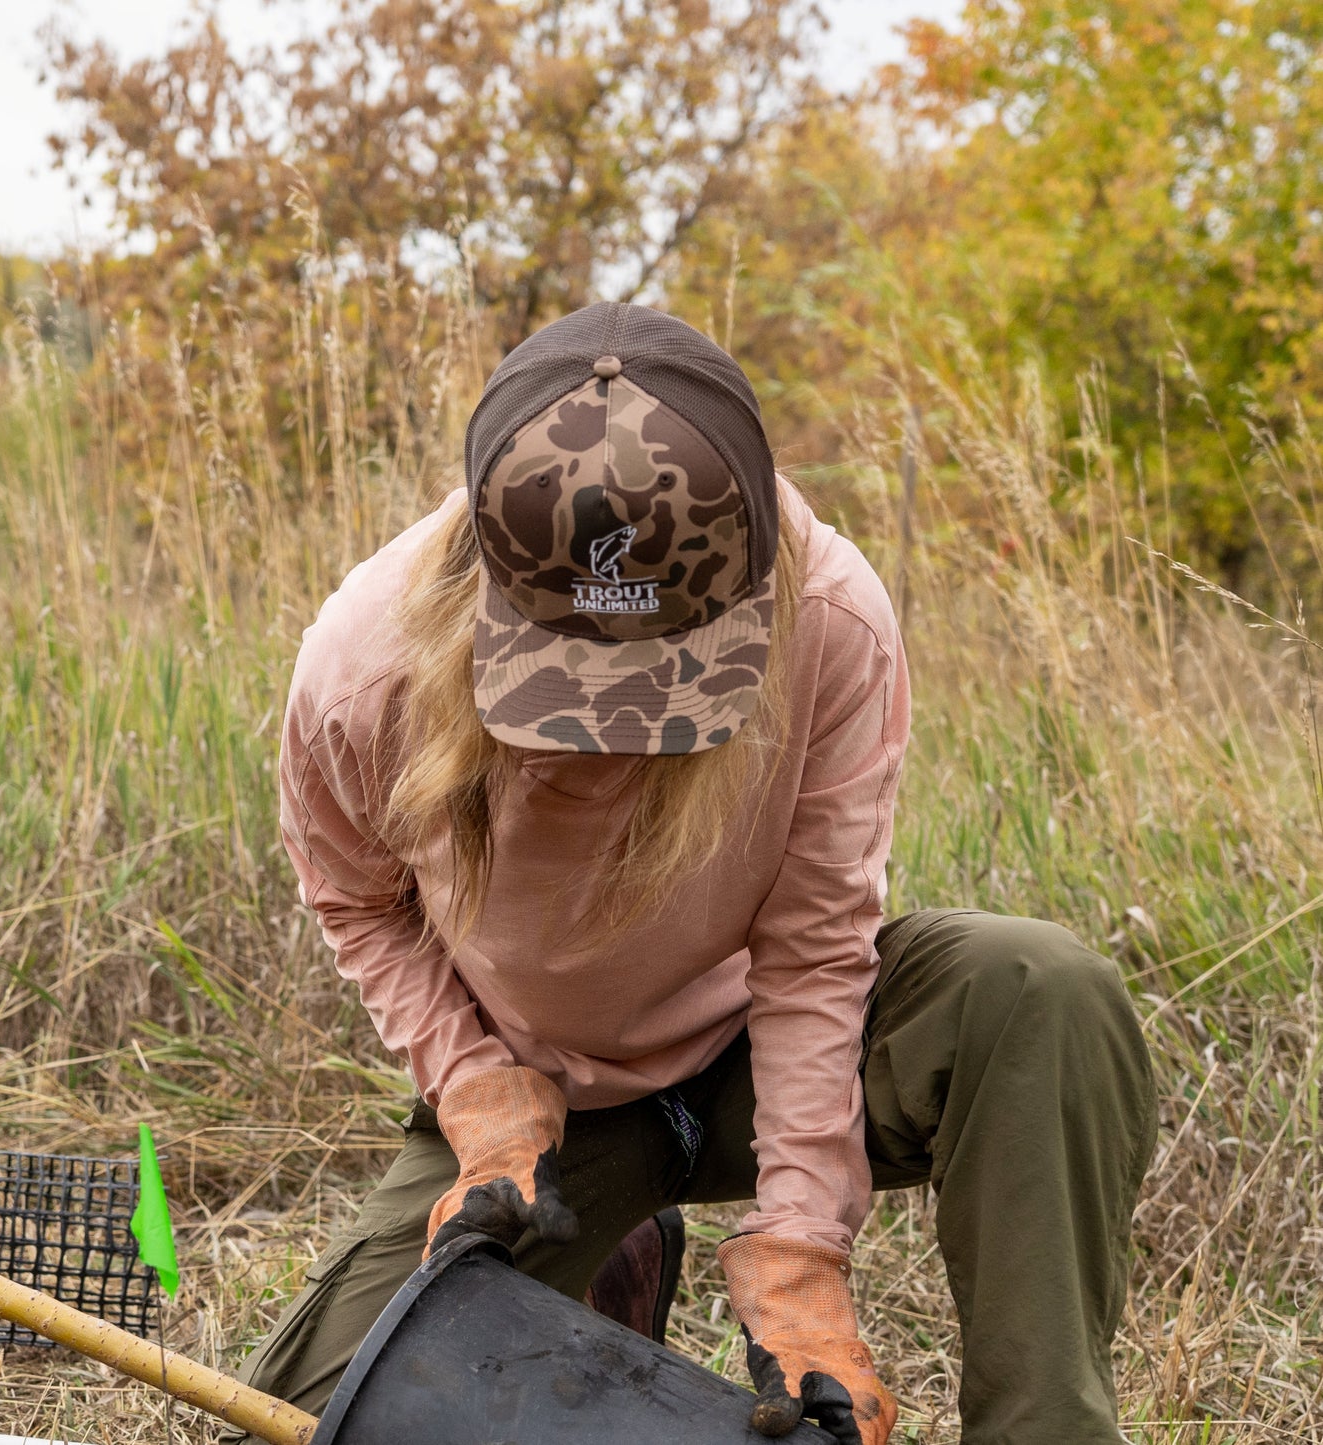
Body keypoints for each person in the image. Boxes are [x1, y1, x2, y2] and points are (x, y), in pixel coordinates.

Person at [226, 303, 1157, 1444]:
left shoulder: (828, 621)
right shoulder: (362, 669)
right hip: (550, 1103)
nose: (618, 735)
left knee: (1034, 986)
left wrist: (800, 1241)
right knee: (311, 1414)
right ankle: (604, 1260)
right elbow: (357, 898)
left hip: (758, 1058)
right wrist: (473, 1085)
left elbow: (816, 948)